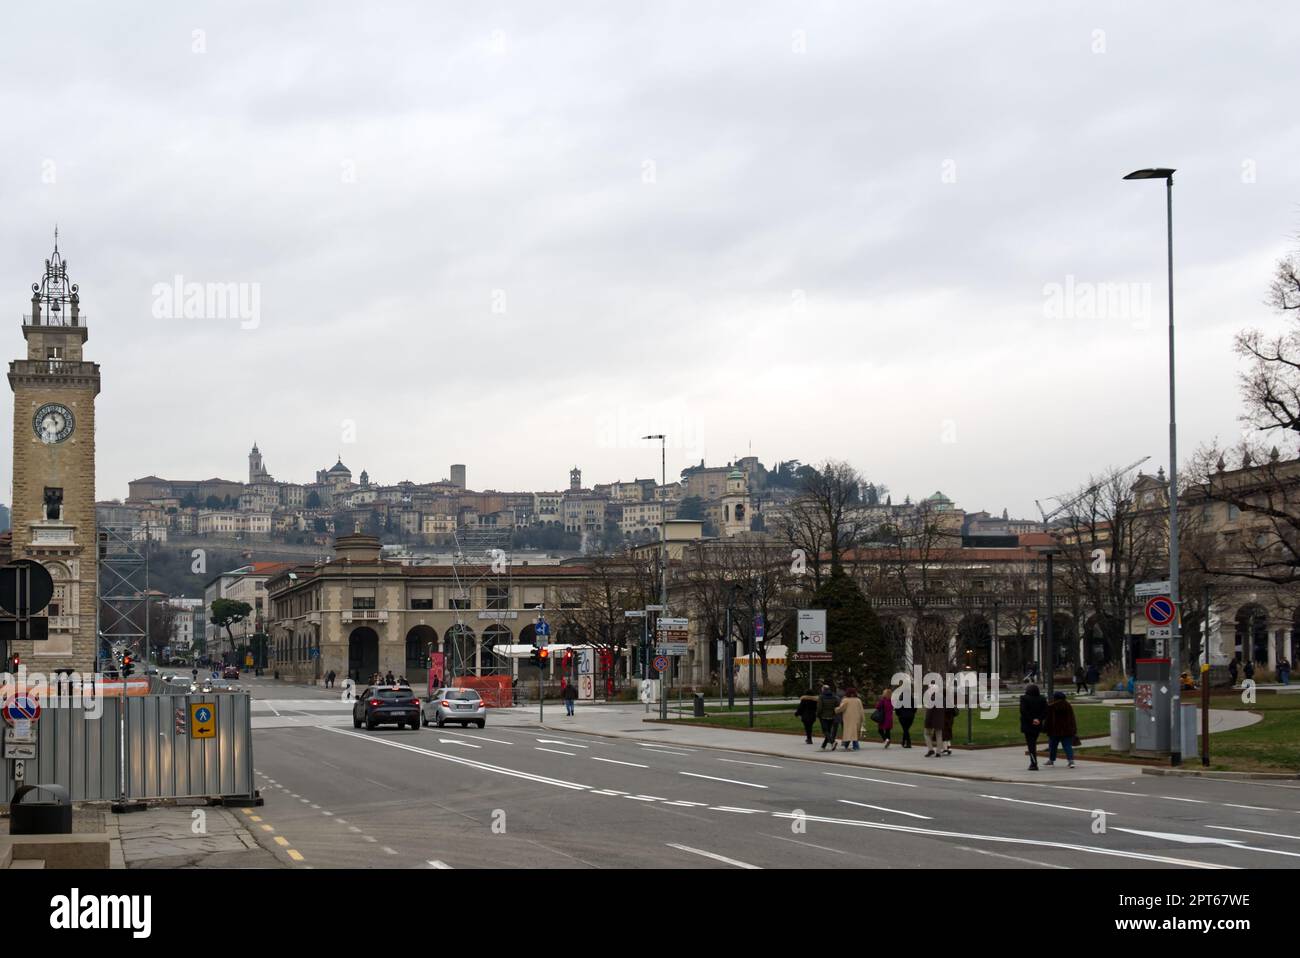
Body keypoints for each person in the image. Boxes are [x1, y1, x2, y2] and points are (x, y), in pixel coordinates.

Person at [1044, 690, 1078, 768]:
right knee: (1067, 746)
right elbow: (1072, 718)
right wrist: (1074, 729)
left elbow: (1048, 719)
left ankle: (1051, 760)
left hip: (1054, 730)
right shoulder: (1068, 706)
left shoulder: (1051, 706)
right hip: (1067, 730)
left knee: (1052, 746)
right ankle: (1071, 761)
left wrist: (1045, 729)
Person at [1020, 684, 1048, 771]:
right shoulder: (1042, 698)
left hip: (1028, 724)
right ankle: (1033, 762)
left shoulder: (1024, 698)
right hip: (1037, 724)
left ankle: (1033, 763)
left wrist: (1032, 719)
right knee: (1033, 742)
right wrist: (1039, 719)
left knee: (1031, 745)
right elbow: (1046, 711)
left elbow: (1023, 711)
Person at [834, 687, 865, 752]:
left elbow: (841, 708)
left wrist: (835, 710)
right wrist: (863, 719)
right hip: (857, 718)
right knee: (854, 733)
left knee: (849, 732)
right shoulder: (858, 700)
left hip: (848, 719)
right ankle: (850, 745)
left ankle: (854, 746)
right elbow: (861, 710)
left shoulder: (845, 700)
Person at [816, 685, 840, 750]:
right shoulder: (834, 696)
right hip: (832, 716)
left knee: (825, 731)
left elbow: (819, 708)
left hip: (823, 716)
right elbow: (837, 705)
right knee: (828, 731)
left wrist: (817, 714)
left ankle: (832, 742)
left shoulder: (821, 697)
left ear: (823, 689)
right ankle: (823, 746)